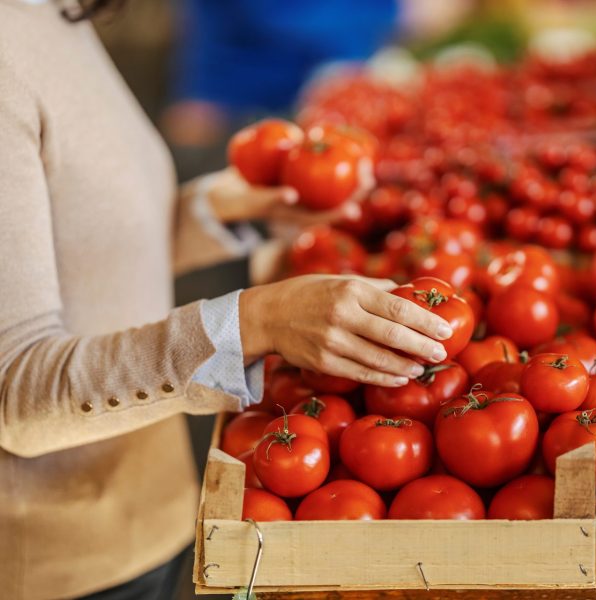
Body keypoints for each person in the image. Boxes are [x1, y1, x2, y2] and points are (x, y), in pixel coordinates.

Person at [0, 1, 454, 598]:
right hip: (64, 563)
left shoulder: (50, 13)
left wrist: (222, 206)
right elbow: (15, 392)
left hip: (150, 508)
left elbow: (78, 251)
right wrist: (257, 319)